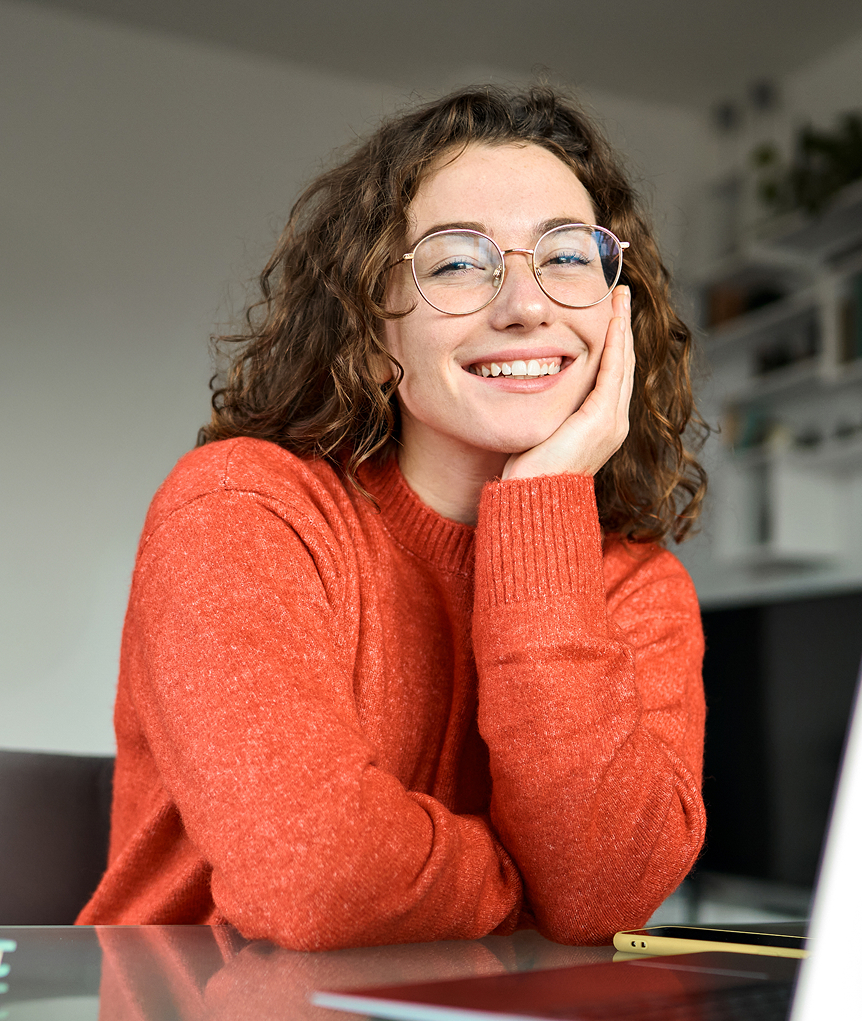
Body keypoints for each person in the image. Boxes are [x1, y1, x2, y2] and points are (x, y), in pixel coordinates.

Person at [77, 85, 708, 950]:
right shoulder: (239, 509)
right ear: (376, 338)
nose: (525, 305)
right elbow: (317, 876)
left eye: (567, 256)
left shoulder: (639, 588)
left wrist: (541, 509)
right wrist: (525, 885)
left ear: (617, 310)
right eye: (456, 263)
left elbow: (602, 895)